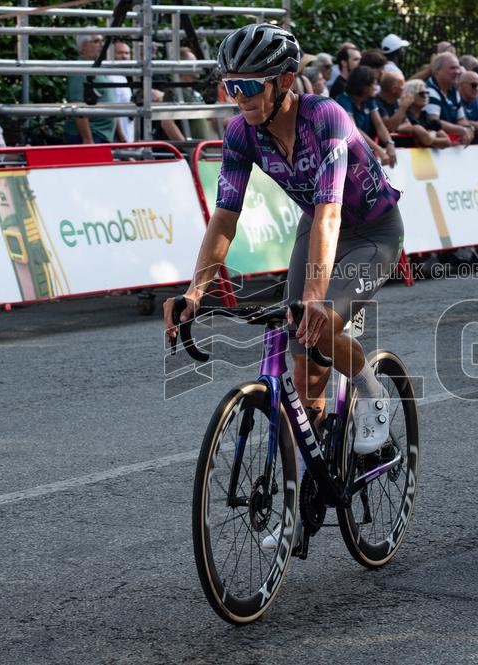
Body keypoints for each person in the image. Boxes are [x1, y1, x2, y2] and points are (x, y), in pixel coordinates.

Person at [163, 24, 404, 554]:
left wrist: (316, 298)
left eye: (249, 87)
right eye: (231, 87)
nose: (239, 98)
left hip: (372, 234)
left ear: (285, 81)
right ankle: (304, 495)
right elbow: (224, 219)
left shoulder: (327, 118)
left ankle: (371, 391)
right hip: (314, 227)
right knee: (302, 363)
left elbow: (331, 215)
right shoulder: (239, 134)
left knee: (322, 324)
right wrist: (196, 292)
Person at [64, 34, 124, 144]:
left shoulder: (97, 68)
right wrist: (88, 140)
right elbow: (77, 106)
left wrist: (122, 140)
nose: (101, 45)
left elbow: (111, 104)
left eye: (102, 41)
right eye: (96, 41)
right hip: (91, 135)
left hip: (101, 135)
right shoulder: (79, 69)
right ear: (84, 46)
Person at [333, 66, 396, 165]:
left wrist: (390, 143)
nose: (376, 88)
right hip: (343, 154)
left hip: (361, 151)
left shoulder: (369, 100)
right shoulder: (343, 100)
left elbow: (379, 125)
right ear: (364, 86)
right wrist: (378, 149)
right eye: (374, 84)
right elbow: (354, 129)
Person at [424, 52, 475, 144]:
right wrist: (462, 130)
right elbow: (434, 121)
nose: (457, 72)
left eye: (458, 67)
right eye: (452, 68)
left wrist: (468, 128)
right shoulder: (429, 91)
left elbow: (461, 119)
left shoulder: (453, 91)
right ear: (437, 71)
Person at [396, 79, 452, 148]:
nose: (425, 96)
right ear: (410, 94)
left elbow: (447, 141)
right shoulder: (403, 115)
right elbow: (426, 139)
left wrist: (429, 136)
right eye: (422, 94)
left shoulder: (425, 116)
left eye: (427, 93)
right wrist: (433, 133)